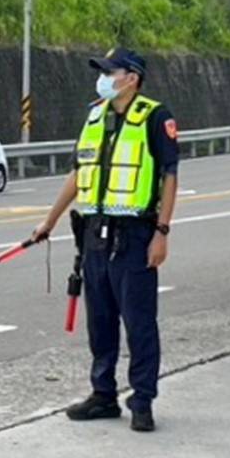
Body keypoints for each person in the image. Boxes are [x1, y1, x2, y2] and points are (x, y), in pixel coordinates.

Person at [31, 46, 179, 432]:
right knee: (100, 322)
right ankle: (103, 395)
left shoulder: (155, 117)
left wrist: (162, 233)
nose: (103, 78)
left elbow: (169, 176)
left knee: (139, 323)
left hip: (135, 235)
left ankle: (142, 400)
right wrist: (49, 220)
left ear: (132, 78)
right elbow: (78, 173)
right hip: (95, 235)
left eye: (110, 72)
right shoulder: (95, 116)